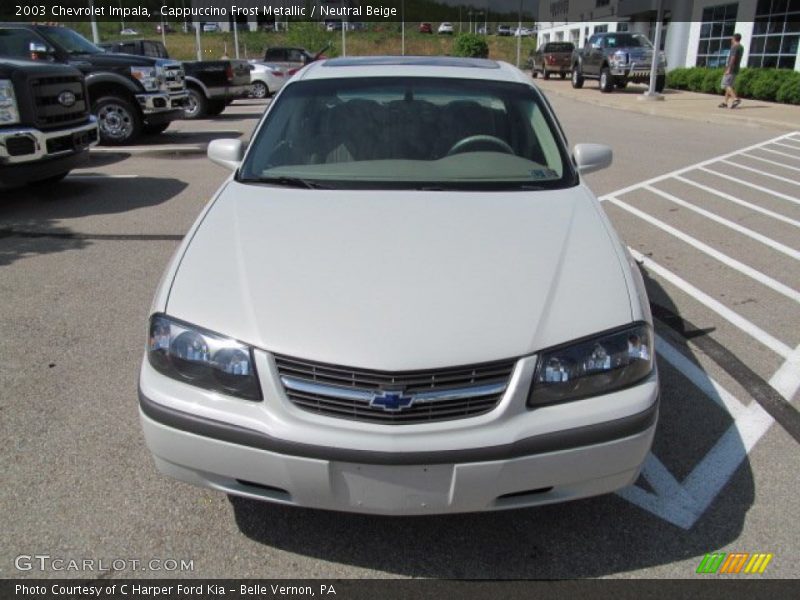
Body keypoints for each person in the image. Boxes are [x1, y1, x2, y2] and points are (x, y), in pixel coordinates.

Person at [719, 33, 744, 109]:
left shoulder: (734, 47)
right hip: (736, 69)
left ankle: (735, 99)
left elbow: (732, 58)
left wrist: (728, 69)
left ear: (734, 38)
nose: (731, 40)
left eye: (732, 38)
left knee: (725, 85)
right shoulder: (741, 47)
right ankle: (725, 103)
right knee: (729, 85)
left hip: (731, 69)